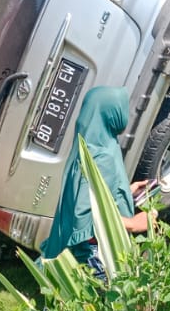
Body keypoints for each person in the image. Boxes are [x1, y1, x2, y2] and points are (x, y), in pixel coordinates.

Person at [38, 86, 150, 278]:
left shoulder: (90, 144)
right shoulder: (102, 155)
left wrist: (125, 191)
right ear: (111, 113)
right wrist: (134, 224)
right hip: (98, 253)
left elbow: (91, 194)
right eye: (121, 108)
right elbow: (86, 216)